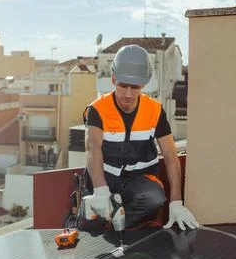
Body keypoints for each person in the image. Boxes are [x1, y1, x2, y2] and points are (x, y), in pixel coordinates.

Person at [83, 44, 198, 230]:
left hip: (138, 183)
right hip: (104, 182)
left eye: (135, 87)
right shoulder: (97, 109)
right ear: (113, 79)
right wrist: (101, 190)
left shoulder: (154, 110)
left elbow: (170, 154)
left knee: (154, 197)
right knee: (91, 224)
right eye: (123, 85)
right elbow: (92, 148)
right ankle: (99, 213)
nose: (128, 94)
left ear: (144, 84)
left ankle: (115, 227)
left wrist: (176, 202)